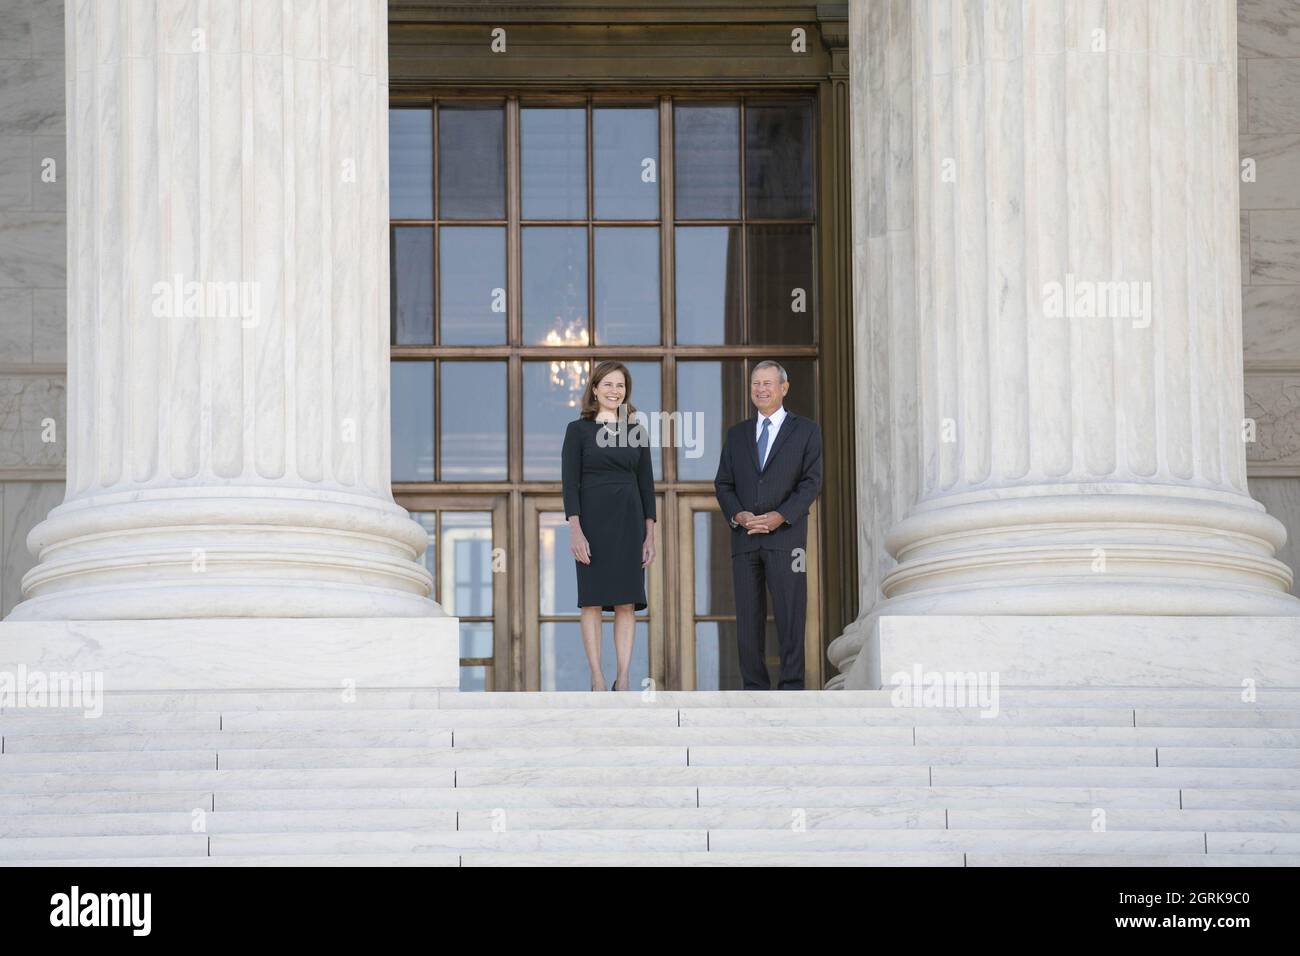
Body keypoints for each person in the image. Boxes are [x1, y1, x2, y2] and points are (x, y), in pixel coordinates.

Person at [714, 361, 823, 690]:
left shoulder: (806, 430)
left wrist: (780, 515)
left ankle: (791, 685)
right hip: (745, 539)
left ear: (784, 388)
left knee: (791, 613)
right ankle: (754, 687)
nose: (761, 389)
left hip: (787, 540)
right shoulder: (737, 435)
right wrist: (739, 515)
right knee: (748, 618)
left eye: (768, 383)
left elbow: (811, 482)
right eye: (755, 384)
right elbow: (724, 484)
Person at [561, 361, 657, 692]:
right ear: (595, 389)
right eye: (608, 385)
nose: (615, 391)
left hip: (630, 522)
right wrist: (575, 529)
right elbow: (569, 483)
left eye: (620, 386)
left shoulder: (637, 432)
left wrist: (650, 535)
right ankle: (597, 677)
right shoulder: (578, 431)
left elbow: (647, 485)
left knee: (626, 602)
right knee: (591, 601)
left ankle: (625, 677)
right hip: (592, 522)